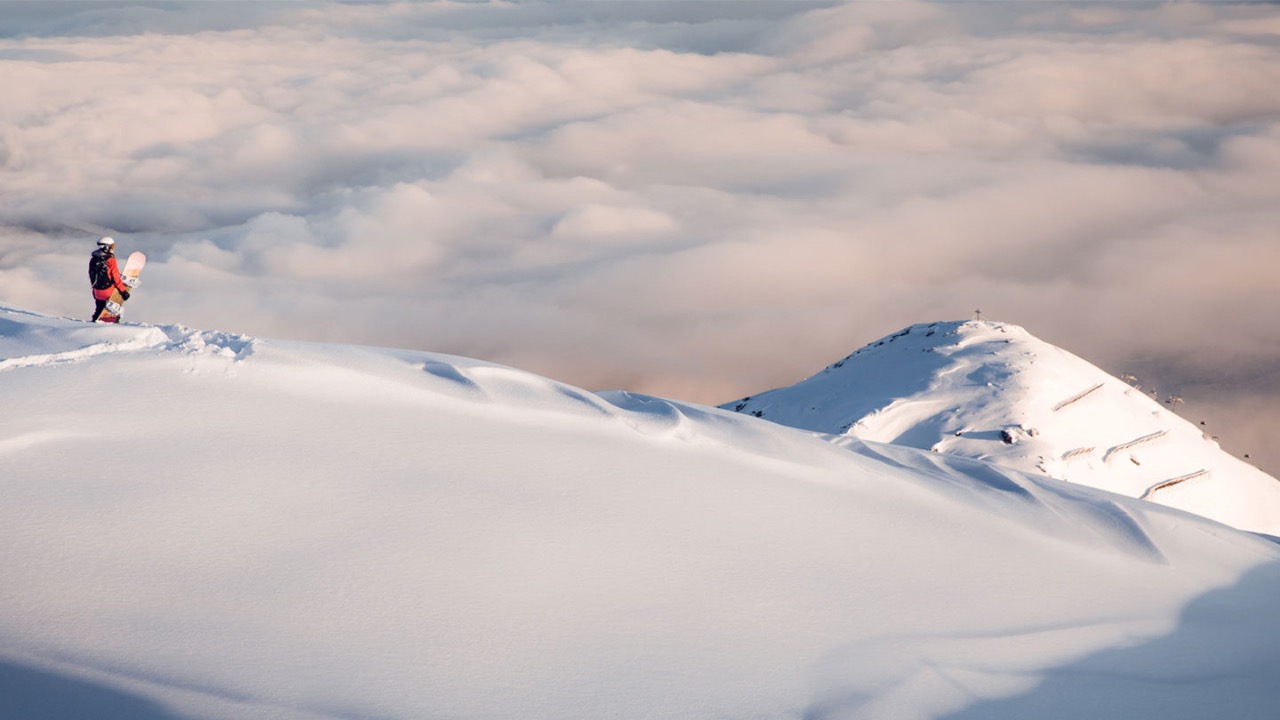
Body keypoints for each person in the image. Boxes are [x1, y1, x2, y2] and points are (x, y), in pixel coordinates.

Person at [89, 236, 131, 322]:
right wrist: (123, 291)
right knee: (114, 311)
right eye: (112, 246)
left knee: (98, 310)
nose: (113, 248)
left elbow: (91, 275)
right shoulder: (110, 260)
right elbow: (115, 276)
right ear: (107, 247)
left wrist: (94, 291)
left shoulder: (93, 259)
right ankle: (113, 325)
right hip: (108, 291)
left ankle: (94, 322)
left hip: (97, 292)